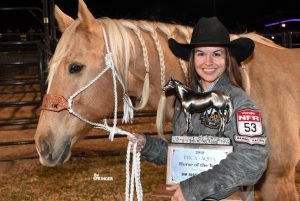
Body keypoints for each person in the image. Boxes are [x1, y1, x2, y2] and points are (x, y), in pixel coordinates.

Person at [128, 17, 269, 201]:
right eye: (201, 54)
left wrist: (193, 189)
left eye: (216, 54)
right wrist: (147, 145)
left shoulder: (241, 104)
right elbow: (183, 151)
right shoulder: (183, 103)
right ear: (192, 59)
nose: (208, 62)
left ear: (227, 58)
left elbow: (252, 158)